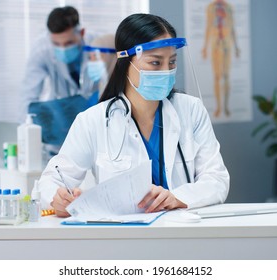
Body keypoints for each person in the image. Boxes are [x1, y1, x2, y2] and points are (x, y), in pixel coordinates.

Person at [37, 13, 230, 217]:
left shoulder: (191, 110)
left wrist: (178, 197)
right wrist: (56, 198)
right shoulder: (93, 121)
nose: (166, 71)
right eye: (155, 63)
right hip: (123, 239)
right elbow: (52, 181)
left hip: (181, 234)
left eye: (172, 62)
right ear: (125, 62)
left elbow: (216, 179)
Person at [20, 6, 114, 120]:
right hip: (62, 114)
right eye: (56, 44)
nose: (63, 49)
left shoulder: (99, 45)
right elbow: (28, 96)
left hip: (96, 110)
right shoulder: (41, 49)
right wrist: (27, 129)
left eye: (69, 43)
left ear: (82, 33)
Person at [201, 0, 240, 118]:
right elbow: (208, 26)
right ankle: (218, 107)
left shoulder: (229, 7)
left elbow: (232, 28)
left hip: (227, 43)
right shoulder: (210, 8)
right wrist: (205, 47)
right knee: (217, 77)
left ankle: (226, 107)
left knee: (226, 75)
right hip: (216, 44)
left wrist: (236, 47)